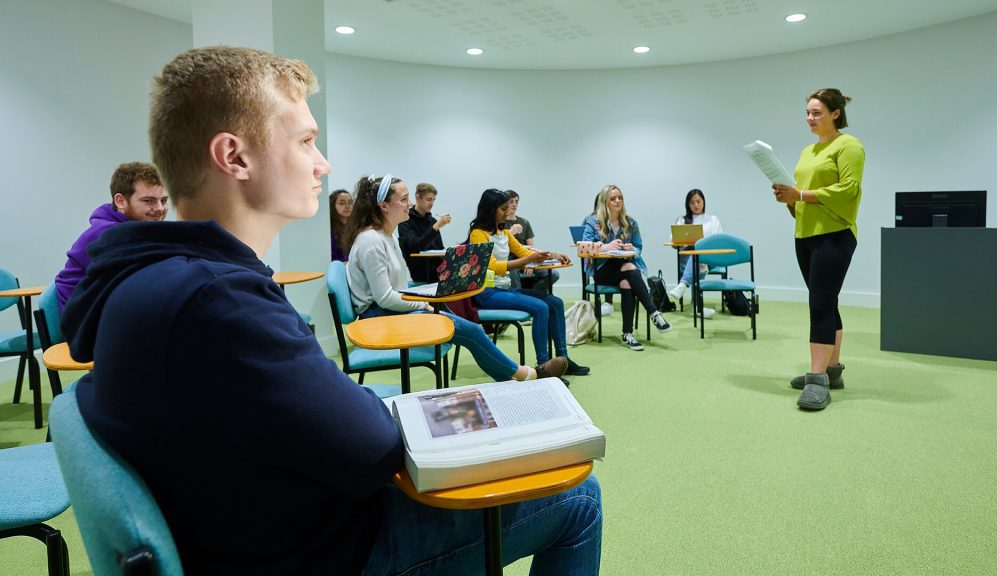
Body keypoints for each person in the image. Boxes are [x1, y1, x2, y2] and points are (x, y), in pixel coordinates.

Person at [61, 46, 601, 575]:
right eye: (305, 141)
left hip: (252, 527)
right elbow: (372, 452)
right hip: (316, 550)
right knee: (581, 499)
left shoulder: (151, 278)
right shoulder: (217, 300)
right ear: (234, 156)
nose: (323, 163)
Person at [344, 174, 567, 381]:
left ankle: (517, 377)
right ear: (384, 206)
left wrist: (423, 302)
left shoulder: (384, 237)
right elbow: (384, 299)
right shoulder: (372, 242)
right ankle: (527, 376)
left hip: (390, 311)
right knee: (472, 330)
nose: (410, 204)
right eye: (404, 199)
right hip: (379, 318)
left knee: (472, 330)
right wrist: (424, 305)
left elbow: (393, 292)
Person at [772, 88, 864, 411]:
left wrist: (801, 195)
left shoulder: (849, 146)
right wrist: (789, 198)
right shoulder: (807, 152)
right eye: (808, 113)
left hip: (835, 235)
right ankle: (831, 371)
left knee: (820, 304)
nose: (810, 119)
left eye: (817, 113)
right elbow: (801, 199)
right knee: (827, 300)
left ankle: (817, 380)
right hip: (805, 234)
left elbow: (848, 190)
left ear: (835, 113)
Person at [469, 189, 590, 377]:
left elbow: (524, 251)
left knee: (556, 303)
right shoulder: (478, 234)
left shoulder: (504, 233)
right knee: (541, 308)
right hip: (487, 293)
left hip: (504, 289)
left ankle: (563, 359)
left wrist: (551, 255)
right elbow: (491, 266)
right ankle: (544, 366)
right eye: (503, 209)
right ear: (491, 210)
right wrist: (527, 261)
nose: (507, 212)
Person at [54, 161, 168, 310]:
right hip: (84, 322)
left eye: (164, 200)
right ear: (120, 201)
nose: (159, 209)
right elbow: (143, 283)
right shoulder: (108, 235)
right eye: (148, 201)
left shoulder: (140, 231)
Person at [582, 185, 672, 351]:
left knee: (627, 283)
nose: (618, 201)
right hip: (601, 270)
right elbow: (585, 247)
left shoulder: (630, 222)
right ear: (605, 202)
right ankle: (654, 312)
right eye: (613, 198)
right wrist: (606, 247)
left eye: (620, 198)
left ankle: (627, 334)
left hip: (625, 270)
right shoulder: (593, 222)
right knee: (629, 267)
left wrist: (631, 250)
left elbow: (638, 247)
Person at [667, 188, 722, 318]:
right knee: (698, 259)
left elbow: (720, 241)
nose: (696, 205)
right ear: (687, 204)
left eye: (698, 201)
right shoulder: (682, 220)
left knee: (699, 255)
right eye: (692, 202)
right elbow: (673, 242)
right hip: (688, 260)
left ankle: (682, 285)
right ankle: (698, 307)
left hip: (711, 259)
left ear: (704, 202)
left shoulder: (712, 219)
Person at [502, 189, 559, 291]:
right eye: (511, 201)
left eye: (516, 201)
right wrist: (510, 232)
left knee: (553, 274)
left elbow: (531, 247)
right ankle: (519, 299)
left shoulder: (524, 222)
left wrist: (530, 263)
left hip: (526, 257)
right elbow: (498, 245)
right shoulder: (500, 222)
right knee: (512, 272)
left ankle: (531, 294)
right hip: (509, 260)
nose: (514, 204)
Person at [397, 182, 451, 283]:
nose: (431, 204)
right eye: (428, 199)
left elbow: (439, 248)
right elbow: (416, 246)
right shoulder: (405, 221)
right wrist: (436, 227)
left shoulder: (432, 221)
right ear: (418, 197)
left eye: (433, 200)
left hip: (439, 273)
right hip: (421, 273)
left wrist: (447, 252)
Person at [583, 193, 614, 317]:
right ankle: (601, 302)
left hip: (611, 257)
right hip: (594, 255)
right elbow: (584, 238)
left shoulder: (614, 220)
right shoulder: (590, 219)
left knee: (612, 264)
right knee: (598, 263)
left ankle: (608, 302)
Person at [329, 188, 353, 261]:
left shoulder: (356, 227)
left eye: (350, 202)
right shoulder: (329, 230)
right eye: (342, 203)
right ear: (333, 205)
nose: (347, 206)